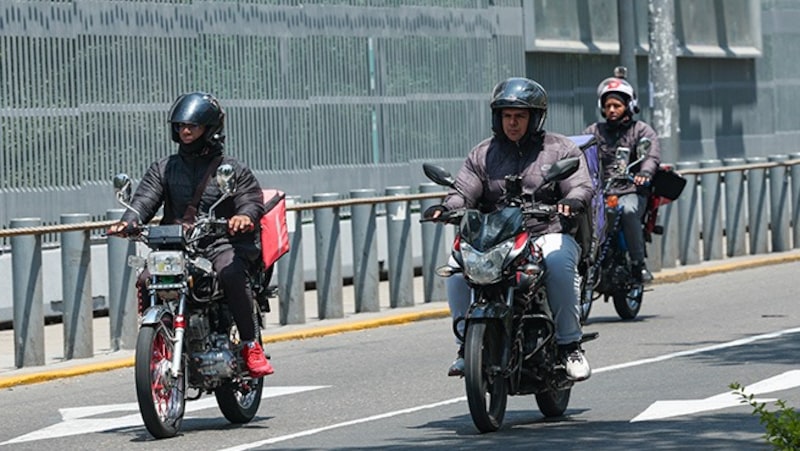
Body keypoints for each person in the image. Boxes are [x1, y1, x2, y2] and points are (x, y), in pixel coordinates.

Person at [423, 77, 594, 382]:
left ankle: (570, 345)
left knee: (558, 261)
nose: (512, 123)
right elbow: (463, 191)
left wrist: (571, 201)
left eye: (520, 116)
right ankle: (465, 347)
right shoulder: (483, 154)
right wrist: (446, 208)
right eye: (507, 116)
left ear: (535, 118)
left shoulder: (560, 149)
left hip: (545, 232)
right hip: (495, 238)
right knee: (456, 269)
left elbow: (580, 185)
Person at [108, 91, 274, 378]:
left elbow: (250, 199)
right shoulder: (164, 168)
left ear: (209, 129)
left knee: (231, 273)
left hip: (219, 243)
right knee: (147, 279)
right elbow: (144, 200)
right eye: (181, 126)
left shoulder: (231, 169)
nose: (185, 131)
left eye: (192, 126)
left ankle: (250, 345)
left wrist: (244, 216)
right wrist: (128, 222)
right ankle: (158, 336)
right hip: (177, 245)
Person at [583, 67, 661, 285]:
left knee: (627, 210)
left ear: (629, 106)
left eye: (616, 105)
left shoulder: (641, 130)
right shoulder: (593, 131)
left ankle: (638, 264)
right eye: (607, 106)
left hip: (631, 190)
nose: (611, 110)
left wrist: (644, 172)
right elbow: (578, 151)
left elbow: (651, 155)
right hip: (601, 192)